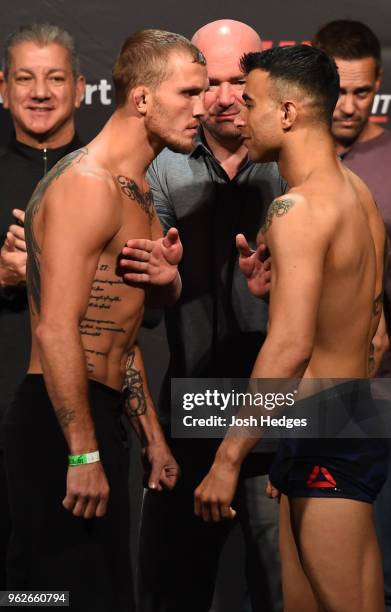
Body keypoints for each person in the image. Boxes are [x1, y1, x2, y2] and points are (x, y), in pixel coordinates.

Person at [2, 29, 208, 611]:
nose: (202, 109)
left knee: (102, 596)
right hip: (58, 421)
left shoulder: (137, 190)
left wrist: (153, 439)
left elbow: (116, 328)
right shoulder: (87, 186)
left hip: (99, 413)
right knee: (48, 597)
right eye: (188, 93)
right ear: (142, 99)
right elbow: (56, 328)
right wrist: (82, 453)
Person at [194, 44, 389, 612]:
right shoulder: (357, 193)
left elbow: (290, 346)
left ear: (287, 113)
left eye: (250, 101)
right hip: (344, 420)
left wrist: (228, 461)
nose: (237, 114)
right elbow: (365, 329)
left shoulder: (296, 209)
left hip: (326, 429)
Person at [119, 19, 285, 612]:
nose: (222, 96)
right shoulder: (161, 169)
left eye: (238, 78)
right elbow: (142, 314)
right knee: (171, 592)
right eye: (206, 82)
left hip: (280, 416)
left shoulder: (293, 165)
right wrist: (164, 286)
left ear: (261, 73)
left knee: (284, 590)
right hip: (190, 410)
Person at [313, 20, 391, 611]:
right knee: (304, 582)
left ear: (379, 83)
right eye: (338, 91)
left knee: (389, 582)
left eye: (362, 92)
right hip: (298, 400)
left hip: (380, 406)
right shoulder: (287, 161)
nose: (349, 106)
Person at [0, 23, 86, 589]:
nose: (40, 92)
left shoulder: (108, 174)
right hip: (5, 401)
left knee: (72, 578)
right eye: (26, 79)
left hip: (84, 415)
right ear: (3, 88)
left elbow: (145, 313)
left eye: (54, 78)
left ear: (80, 88)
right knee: (18, 579)